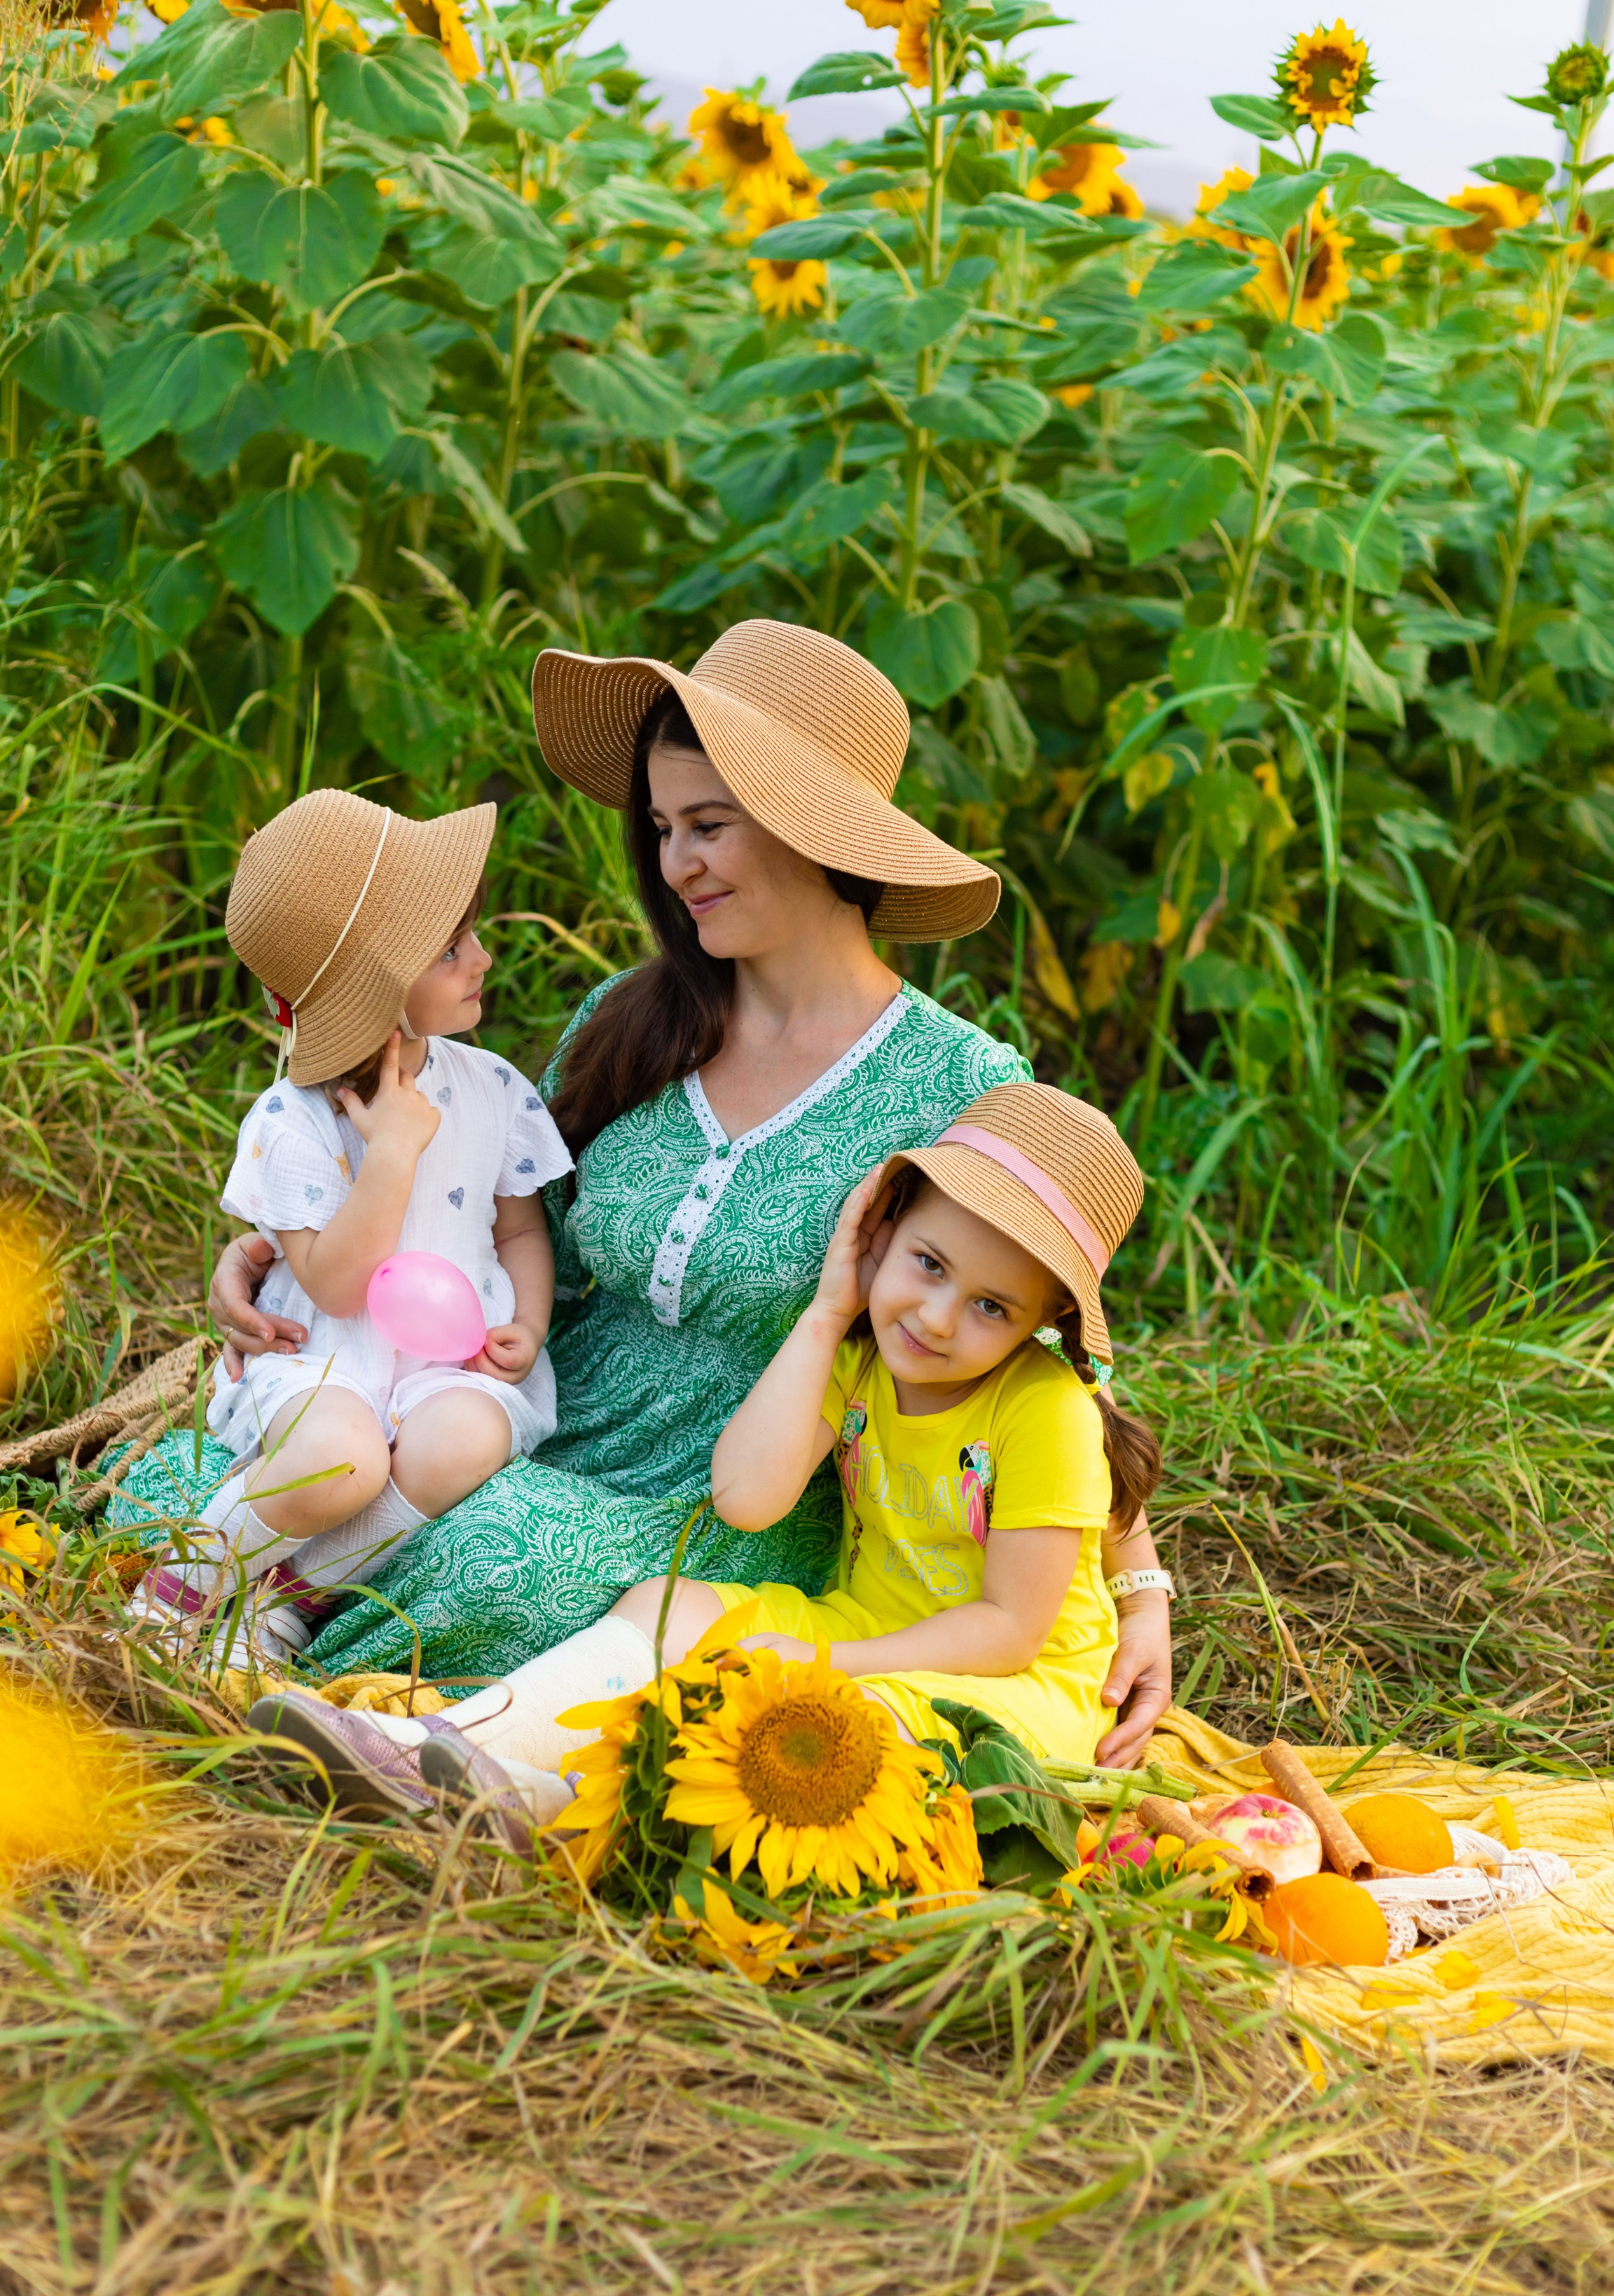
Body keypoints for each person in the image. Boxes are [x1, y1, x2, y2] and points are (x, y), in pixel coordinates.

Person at [130, 619, 1170, 1761]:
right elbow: (466, 1206)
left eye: (710, 827)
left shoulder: (956, 1084)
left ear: (810, 829)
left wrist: (1139, 1586)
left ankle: (266, 1647)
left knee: (496, 1552)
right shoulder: (630, 1021)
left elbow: (1059, 1351)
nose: (677, 864)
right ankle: (239, 1623)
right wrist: (280, 1253)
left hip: (730, 1497)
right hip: (522, 1414)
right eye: (666, 828)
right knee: (282, 1463)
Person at [246, 1082, 1172, 1826]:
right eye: (928, 1264)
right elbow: (747, 1497)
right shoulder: (860, 1360)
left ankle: (549, 1803)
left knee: (829, 1722)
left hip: (1014, 1685)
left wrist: (835, 1665)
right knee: (668, 1608)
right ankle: (453, 1749)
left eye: (991, 1307)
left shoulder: (1045, 1410)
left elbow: (1009, 1629)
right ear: (880, 1232)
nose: (935, 1317)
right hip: (867, 1623)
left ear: (1043, 1324)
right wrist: (827, 1312)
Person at [130, 790, 570, 1667]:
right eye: (451, 949)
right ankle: (186, 1586)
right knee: (342, 1460)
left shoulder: (491, 1086)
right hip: (326, 1353)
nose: (482, 957)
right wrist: (392, 1153)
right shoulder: (290, 1122)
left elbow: (518, 1228)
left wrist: (530, 1318)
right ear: (374, 989)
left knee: (467, 1441)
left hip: (453, 1359)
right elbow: (333, 1282)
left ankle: (294, 1599)